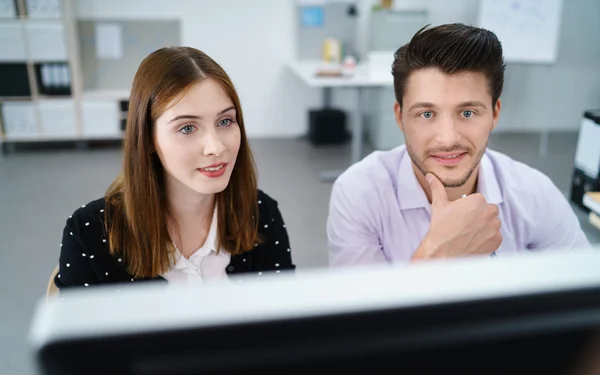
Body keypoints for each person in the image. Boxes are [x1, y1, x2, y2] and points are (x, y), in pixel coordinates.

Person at [327, 23, 589, 267]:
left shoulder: (536, 196)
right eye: (426, 114)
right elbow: (364, 316)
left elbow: (584, 298)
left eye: (467, 113)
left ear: (494, 114)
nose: (448, 139)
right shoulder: (360, 195)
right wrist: (440, 252)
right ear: (400, 117)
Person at [56, 47, 294, 289]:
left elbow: (285, 321)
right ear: (148, 138)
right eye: (188, 128)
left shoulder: (261, 214)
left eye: (225, 121)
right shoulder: (88, 234)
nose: (216, 147)